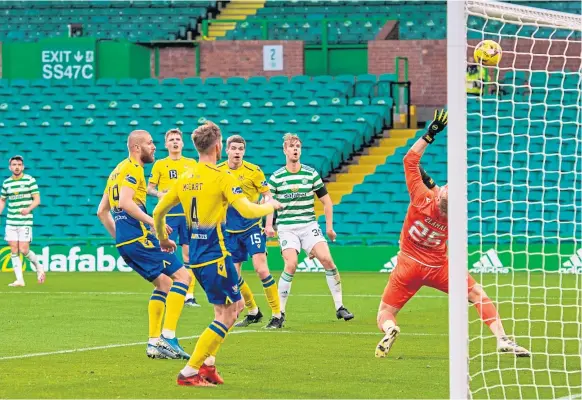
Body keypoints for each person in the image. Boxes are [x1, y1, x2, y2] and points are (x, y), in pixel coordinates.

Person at [375, 110, 531, 358]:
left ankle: (390, 328)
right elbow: (442, 197)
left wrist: (430, 134)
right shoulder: (456, 218)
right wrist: (434, 184)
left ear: (438, 195)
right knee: (477, 294)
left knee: (385, 311)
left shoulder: (421, 199)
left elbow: (409, 160)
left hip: (407, 264)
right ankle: (502, 338)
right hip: (438, 267)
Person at [153, 121, 284, 387]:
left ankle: (209, 366)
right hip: (216, 255)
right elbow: (248, 210)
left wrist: (164, 238)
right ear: (218, 146)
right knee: (228, 315)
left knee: (230, 309)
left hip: (197, 257)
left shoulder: (185, 178)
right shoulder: (222, 177)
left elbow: (157, 213)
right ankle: (190, 372)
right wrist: (270, 205)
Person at [96, 130, 192, 360]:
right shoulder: (133, 169)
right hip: (139, 238)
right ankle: (168, 337)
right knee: (183, 277)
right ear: (137, 147)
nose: (154, 147)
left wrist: (121, 239)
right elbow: (127, 204)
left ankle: (152, 343)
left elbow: (101, 211)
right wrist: (155, 224)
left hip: (126, 243)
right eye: (150, 143)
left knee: (164, 284)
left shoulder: (115, 171)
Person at [265, 133, 354, 322]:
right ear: (285, 150)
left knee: (327, 259)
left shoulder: (311, 173)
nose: (295, 149)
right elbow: (269, 202)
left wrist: (329, 228)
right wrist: (268, 226)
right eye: (291, 146)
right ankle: (279, 314)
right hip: (287, 228)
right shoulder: (277, 178)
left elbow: (327, 202)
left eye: (298, 146)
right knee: (291, 264)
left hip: (308, 226)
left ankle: (340, 306)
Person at [217, 135, 283, 329]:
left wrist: (269, 225)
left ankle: (277, 315)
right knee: (233, 276)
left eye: (240, 149)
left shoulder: (254, 171)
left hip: (252, 226)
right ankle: (253, 311)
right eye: (234, 148)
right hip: (229, 230)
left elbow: (268, 197)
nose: (237, 152)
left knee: (261, 269)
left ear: (244, 151)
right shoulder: (219, 171)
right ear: (227, 150)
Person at [148, 128, 200, 307]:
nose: (175, 142)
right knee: (165, 252)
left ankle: (189, 295)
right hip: (167, 215)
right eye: (171, 140)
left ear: (183, 143)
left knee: (188, 254)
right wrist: (159, 195)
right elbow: (149, 188)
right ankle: (167, 288)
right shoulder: (160, 164)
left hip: (187, 215)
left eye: (178, 139)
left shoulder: (191, 163)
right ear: (166, 144)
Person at [0, 155, 45, 286]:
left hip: (25, 221)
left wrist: (28, 208)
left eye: (19, 164)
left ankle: (38, 267)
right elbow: (2, 200)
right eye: (14, 164)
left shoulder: (29, 180)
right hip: (11, 221)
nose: (17, 167)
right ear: (10, 167)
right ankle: (20, 280)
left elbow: (37, 199)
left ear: (23, 166)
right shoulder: (6, 183)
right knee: (14, 249)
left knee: (24, 249)